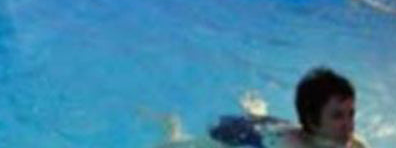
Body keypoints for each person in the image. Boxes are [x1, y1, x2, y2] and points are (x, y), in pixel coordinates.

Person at [152, 68, 368, 148]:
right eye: (337, 116)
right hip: (239, 135)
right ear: (313, 120)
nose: (349, 124)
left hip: (276, 127)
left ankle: (255, 113)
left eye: (351, 114)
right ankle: (171, 126)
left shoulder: (353, 144)